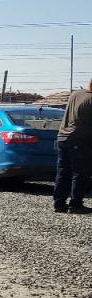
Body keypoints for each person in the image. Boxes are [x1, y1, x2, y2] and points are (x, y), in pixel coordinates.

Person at [55, 79, 92, 214]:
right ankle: (76, 204)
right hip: (79, 139)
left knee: (63, 171)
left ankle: (59, 203)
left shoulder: (75, 94)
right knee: (80, 172)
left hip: (62, 137)